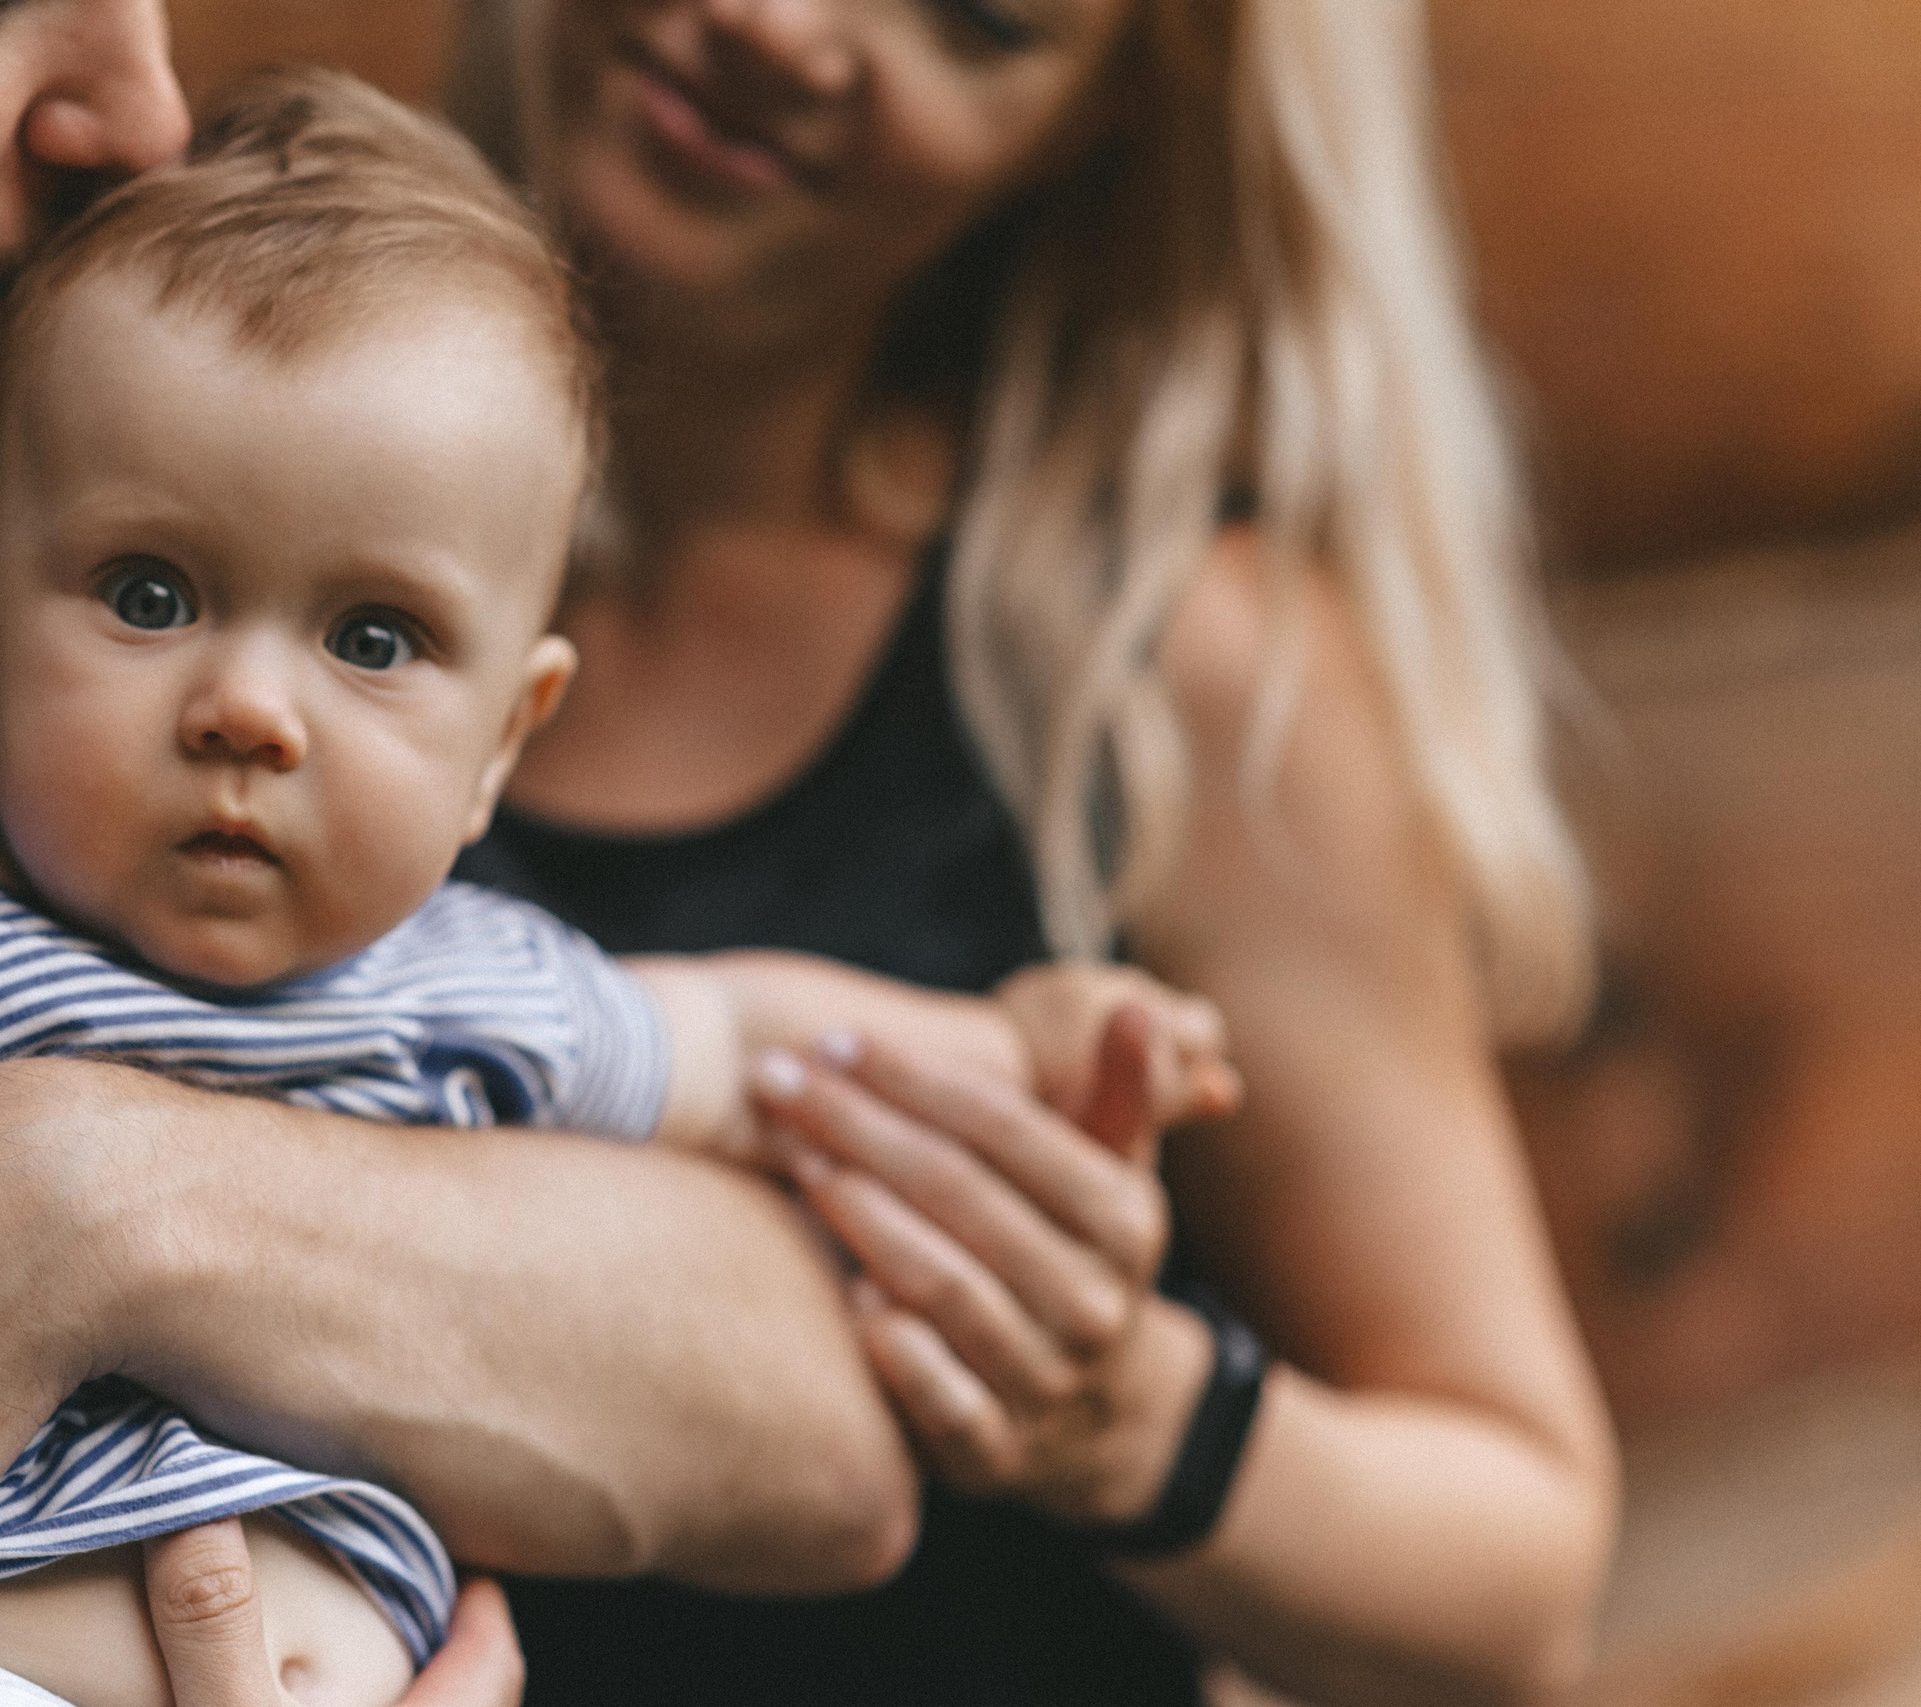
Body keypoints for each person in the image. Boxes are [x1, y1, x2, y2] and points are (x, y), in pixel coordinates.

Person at [0, 70, 1238, 1705]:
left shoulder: (489, 987)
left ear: (507, 740)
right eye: (151, 596)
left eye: (371, 637)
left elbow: (760, 1048)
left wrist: (1021, 1044)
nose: (249, 710)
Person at [433, 0, 1623, 1700]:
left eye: (981, 16)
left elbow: (1518, 1584)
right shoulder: (160, 439)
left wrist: (1118, 1409)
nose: (779, 26)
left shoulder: (1162, 672)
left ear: (1108, 121)